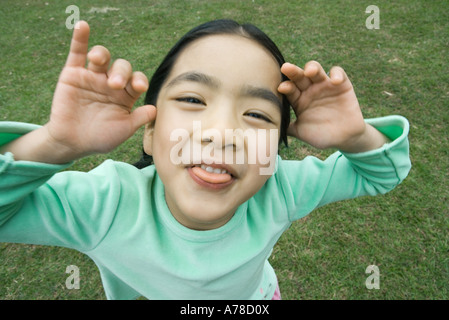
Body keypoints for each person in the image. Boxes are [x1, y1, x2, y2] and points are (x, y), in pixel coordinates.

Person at [0, 19, 411, 300]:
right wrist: (56, 143)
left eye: (257, 114)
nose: (222, 132)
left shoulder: (281, 186)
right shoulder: (104, 204)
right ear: (149, 130)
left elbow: (380, 174)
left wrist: (355, 136)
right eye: (193, 99)